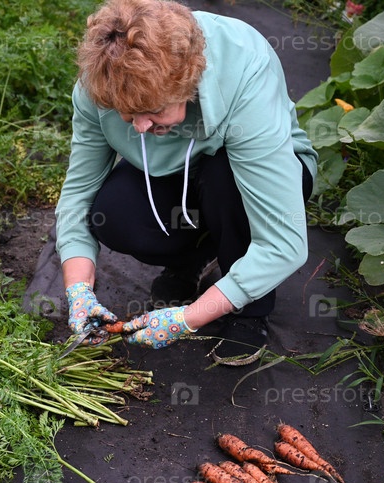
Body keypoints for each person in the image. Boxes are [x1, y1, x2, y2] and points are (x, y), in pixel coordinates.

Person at [55, 0, 317, 359]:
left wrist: (188, 318)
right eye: (128, 113)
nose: (140, 127)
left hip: (253, 179)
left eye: (153, 111)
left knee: (223, 180)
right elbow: (79, 192)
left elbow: (285, 242)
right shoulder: (102, 81)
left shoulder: (244, 65)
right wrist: (78, 291)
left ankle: (249, 310)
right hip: (176, 173)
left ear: (187, 82)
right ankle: (195, 257)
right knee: (114, 213)